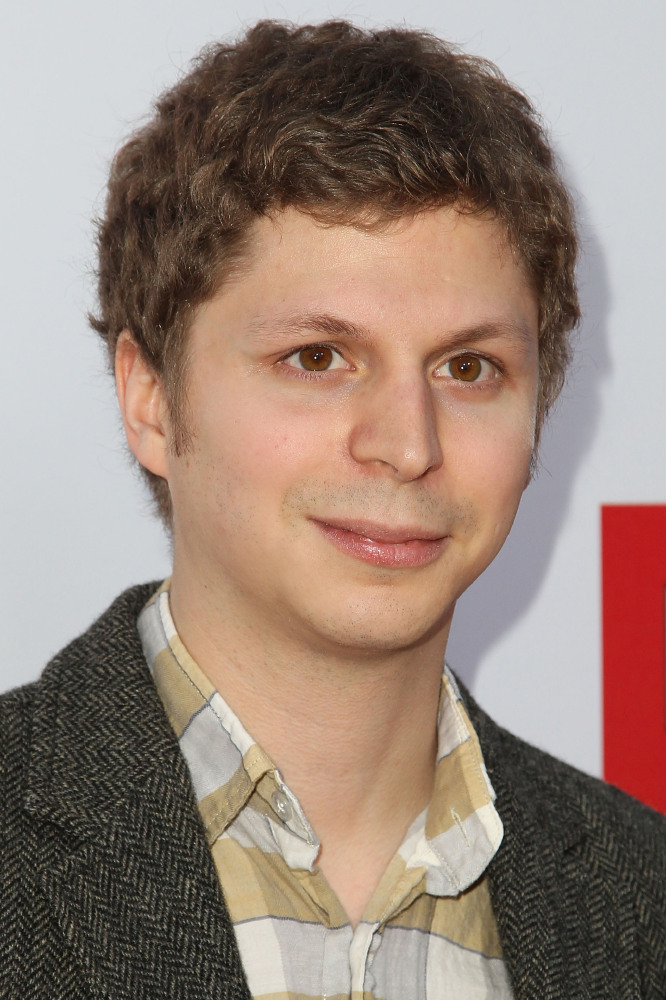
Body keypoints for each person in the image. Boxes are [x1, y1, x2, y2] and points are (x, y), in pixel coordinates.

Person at [1, 19, 664, 1000]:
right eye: (318, 357)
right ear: (149, 397)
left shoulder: (641, 896)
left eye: (469, 366)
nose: (408, 442)